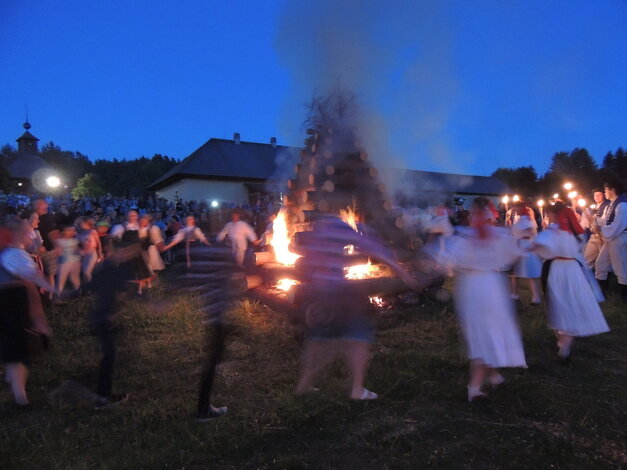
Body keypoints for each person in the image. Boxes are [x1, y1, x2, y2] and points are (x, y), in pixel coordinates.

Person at [293, 212, 419, 400]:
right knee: (359, 338)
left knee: (320, 341)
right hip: (340, 293)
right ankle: (357, 390)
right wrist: (401, 270)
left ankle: (303, 386)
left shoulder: (315, 231)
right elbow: (371, 249)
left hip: (318, 292)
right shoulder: (340, 227)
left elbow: (309, 263)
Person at [436, 197, 526, 401]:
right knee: (485, 332)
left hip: (482, 287)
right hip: (481, 288)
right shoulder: (475, 237)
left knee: (487, 331)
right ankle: (474, 387)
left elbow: (447, 263)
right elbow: (514, 253)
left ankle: (493, 374)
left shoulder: (474, 237)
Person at [531, 202, 609, 359]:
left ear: (553, 214)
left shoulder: (553, 231)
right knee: (573, 302)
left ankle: (563, 340)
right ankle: (565, 342)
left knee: (559, 303)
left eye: (549, 214)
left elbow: (535, 246)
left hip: (558, 269)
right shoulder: (576, 232)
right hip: (575, 269)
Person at [0, 219, 53, 406]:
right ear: (20, 234)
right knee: (16, 346)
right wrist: (53, 288)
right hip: (11, 301)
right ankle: (20, 397)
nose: (32, 236)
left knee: (10, 343)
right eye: (29, 232)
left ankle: (11, 377)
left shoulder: (7, 252)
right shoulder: (15, 253)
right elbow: (31, 275)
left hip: (10, 300)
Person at [88, 240, 140, 409]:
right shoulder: (114, 269)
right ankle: (103, 397)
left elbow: (91, 286)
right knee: (108, 356)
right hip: (104, 317)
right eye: (129, 250)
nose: (131, 254)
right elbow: (122, 292)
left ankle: (103, 392)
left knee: (110, 354)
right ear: (118, 250)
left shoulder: (103, 266)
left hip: (99, 316)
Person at [594, 180, 627, 301]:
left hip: (619, 238)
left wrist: (602, 229)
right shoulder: (612, 204)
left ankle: (624, 295)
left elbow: (618, 226)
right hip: (611, 238)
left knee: (621, 267)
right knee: (600, 264)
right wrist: (594, 219)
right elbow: (604, 221)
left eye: (606, 190)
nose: (605, 193)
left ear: (612, 190)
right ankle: (602, 291)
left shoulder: (622, 205)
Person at [510, 206, 542, 304]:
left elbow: (531, 233)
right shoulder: (526, 221)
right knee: (516, 273)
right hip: (521, 245)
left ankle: (535, 297)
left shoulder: (526, 221)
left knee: (527, 272)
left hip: (525, 245)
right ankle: (515, 294)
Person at [34, 199, 60, 296]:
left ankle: (50, 296)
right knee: (45, 273)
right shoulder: (36, 217)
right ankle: (46, 294)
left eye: (36, 204)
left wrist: (57, 247)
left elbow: (53, 233)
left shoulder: (47, 218)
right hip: (39, 251)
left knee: (49, 274)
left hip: (48, 250)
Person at [583, 189, 611, 271]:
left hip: (602, 236)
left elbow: (605, 221)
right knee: (587, 259)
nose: (597, 197)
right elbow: (587, 224)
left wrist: (594, 221)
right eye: (596, 195)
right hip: (593, 235)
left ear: (603, 195)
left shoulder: (607, 206)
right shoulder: (593, 207)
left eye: (600, 195)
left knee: (603, 262)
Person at [55, 225, 82, 297]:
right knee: (61, 279)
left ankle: (79, 295)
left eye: (72, 230)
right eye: (69, 230)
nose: (71, 232)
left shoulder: (75, 240)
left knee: (74, 278)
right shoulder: (59, 241)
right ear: (64, 232)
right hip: (65, 262)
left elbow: (78, 250)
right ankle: (59, 296)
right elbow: (58, 252)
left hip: (75, 261)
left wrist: (80, 251)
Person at [77, 217, 103, 284]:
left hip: (92, 253)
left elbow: (98, 243)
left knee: (87, 271)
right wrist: (80, 250)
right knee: (84, 272)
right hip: (85, 254)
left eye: (82, 222)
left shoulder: (92, 231)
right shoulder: (79, 233)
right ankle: (86, 288)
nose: (81, 224)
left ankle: (91, 287)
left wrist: (100, 252)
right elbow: (76, 244)